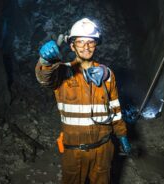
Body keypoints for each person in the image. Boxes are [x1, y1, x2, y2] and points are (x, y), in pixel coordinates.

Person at [35, 18, 131, 184]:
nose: (86, 47)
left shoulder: (108, 75)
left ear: (96, 45)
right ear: (72, 46)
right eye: (80, 42)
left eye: (91, 42)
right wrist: (45, 62)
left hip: (103, 149)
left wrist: (122, 134)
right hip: (74, 152)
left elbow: (115, 108)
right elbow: (45, 78)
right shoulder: (63, 71)